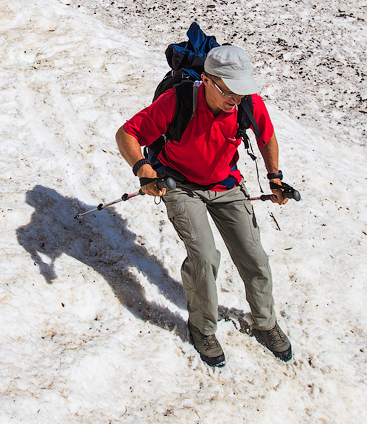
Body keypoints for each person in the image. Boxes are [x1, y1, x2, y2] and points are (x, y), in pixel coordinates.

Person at [116, 45, 292, 367]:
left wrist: (275, 178)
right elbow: (127, 133)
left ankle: (265, 322)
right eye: (229, 92)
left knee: (253, 255)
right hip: (180, 186)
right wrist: (144, 170)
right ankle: (202, 328)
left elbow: (266, 136)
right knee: (204, 256)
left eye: (240, 94)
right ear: (208, 81)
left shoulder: (246, 103)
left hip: (226, 184)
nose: (235, 100)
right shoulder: (178, 100)